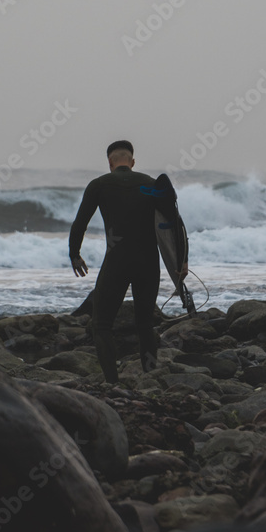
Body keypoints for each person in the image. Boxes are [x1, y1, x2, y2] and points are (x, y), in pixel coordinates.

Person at [69, 140, 187, 384]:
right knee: (145, 323)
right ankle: (150, 375)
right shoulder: (151, 184)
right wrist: (182, 261)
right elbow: (175, 224)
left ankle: (112, 382)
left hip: (116, 261)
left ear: (110, 163)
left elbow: (80, 222)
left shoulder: (99, 185)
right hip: (148, 263)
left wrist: (74, 253)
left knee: (101, 325)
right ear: (132, 162)